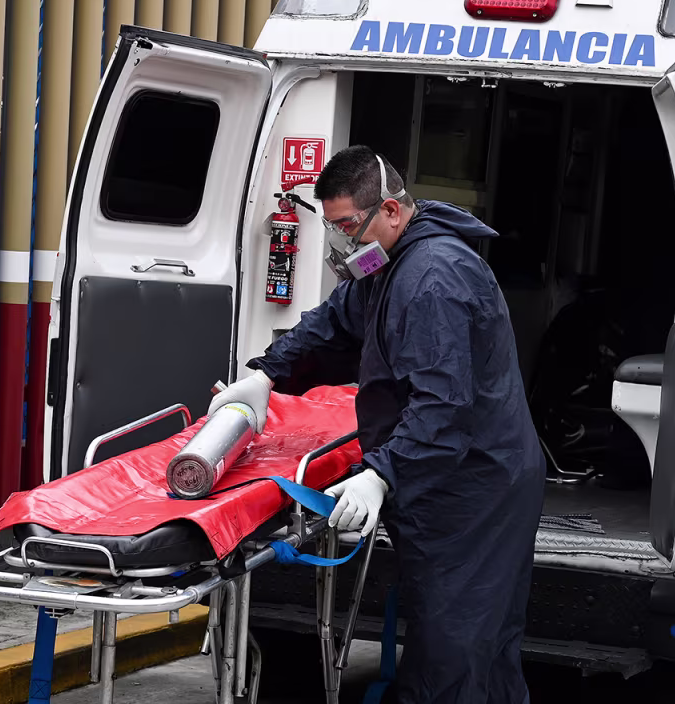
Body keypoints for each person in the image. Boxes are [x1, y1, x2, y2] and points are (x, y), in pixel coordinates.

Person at [209, 145, 546, 704]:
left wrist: (379, 474)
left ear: (390, 209)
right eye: (333, 226)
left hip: (475, 486)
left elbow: (443, 406)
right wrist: (269, 375)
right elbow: (337, 319)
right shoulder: (387, 260)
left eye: (347, 225)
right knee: (469, 641)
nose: (342, 242)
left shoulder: (434, 279)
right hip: (447, 475)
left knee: (457, 646)